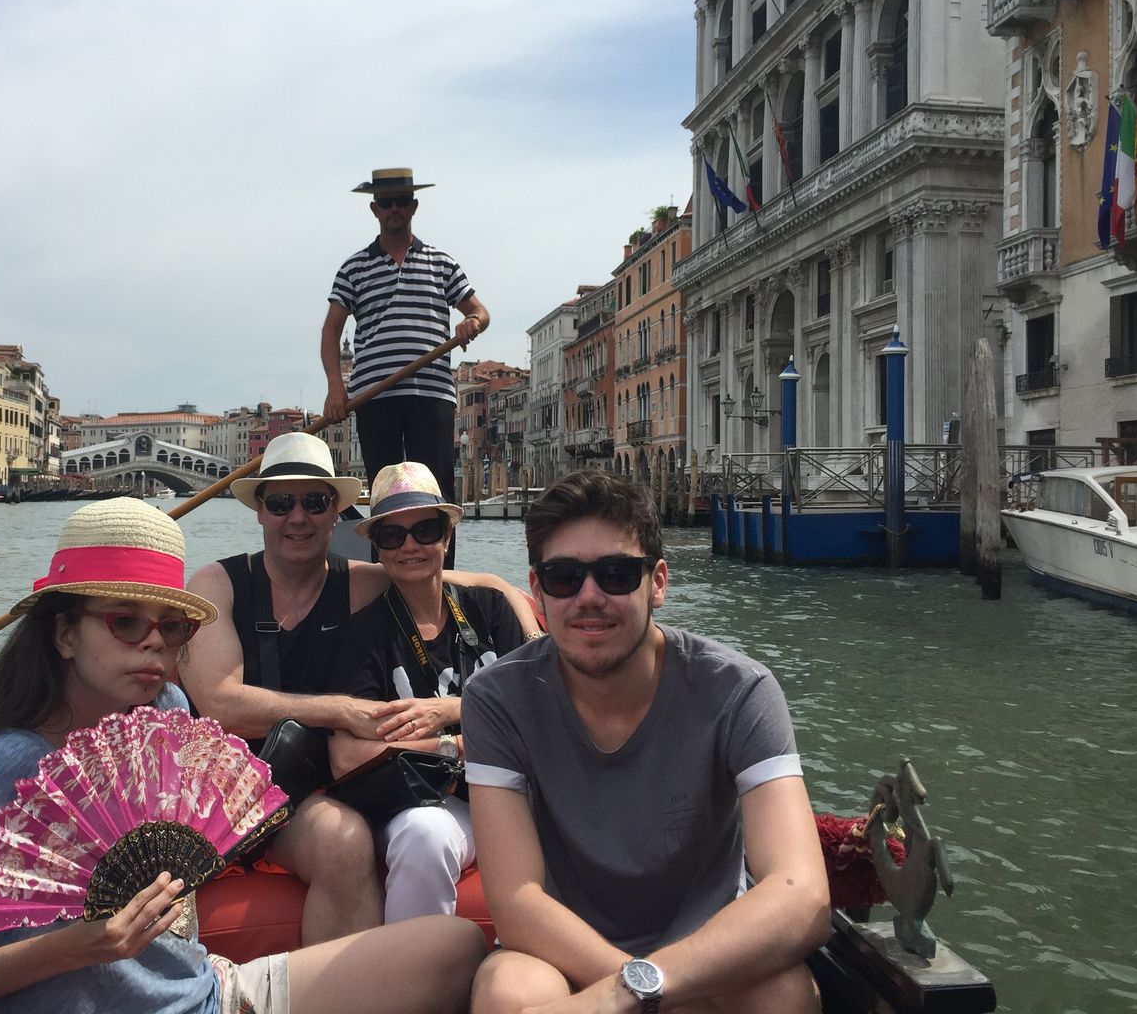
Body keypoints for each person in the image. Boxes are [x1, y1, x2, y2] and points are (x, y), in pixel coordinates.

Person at [0, 496, 487, 1014]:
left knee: (458, 947)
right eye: (124, 622)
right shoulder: (9, 766)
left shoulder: (166, 705)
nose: (152, 644)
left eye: (172, 629)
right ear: (64, 633)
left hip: (212, 990)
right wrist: (82, 946)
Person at [463, 470, 830, 1014]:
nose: (590, 597)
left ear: (657, 581)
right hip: (563, 955)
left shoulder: (740, 690)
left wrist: (640, 987)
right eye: (564, 577)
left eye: (615, 573)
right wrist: (643, 989)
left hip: (711, 951)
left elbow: (804, 894)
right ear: (538, 591)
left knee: (784, 994)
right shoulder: (496, 698)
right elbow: (518, 903)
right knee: (510, 991)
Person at [182, 432, 540, 944]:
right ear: (259, 511)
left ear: (337, 513)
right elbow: (221, 704)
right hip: (235, 787)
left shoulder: (362, 581)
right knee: (345, 839)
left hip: (309, 787)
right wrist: (340, 711)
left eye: (316, 501)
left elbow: (468, 581)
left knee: (352, 833)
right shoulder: (218, 584)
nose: (298, 516)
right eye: (281, 502)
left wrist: (527, 628)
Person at [329, 462, 527, 923]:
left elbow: (537, 709)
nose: (411, 545)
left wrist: (449, 710)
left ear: (446, 536)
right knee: (424, 835)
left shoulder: (491, 608)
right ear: (377, 547)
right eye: (393, 536)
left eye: (425, 529)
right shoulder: (361, 638)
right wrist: (454, 744)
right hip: (433, 802)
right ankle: (413, 980)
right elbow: (346, 758)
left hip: (518, 789)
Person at [321, 167, 490, 568]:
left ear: (413, 206)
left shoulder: (442, 262)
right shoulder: (354, 268)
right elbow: (331, 331)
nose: (394, 208)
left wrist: (472, 323)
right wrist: (335, 388)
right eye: (386, 202)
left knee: (436, 492)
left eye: (401, 201)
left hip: (432, 393)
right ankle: (385, 576)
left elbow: (480, 312)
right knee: (384, 492)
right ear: (374, 209)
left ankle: (443, 581)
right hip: (374, 395)